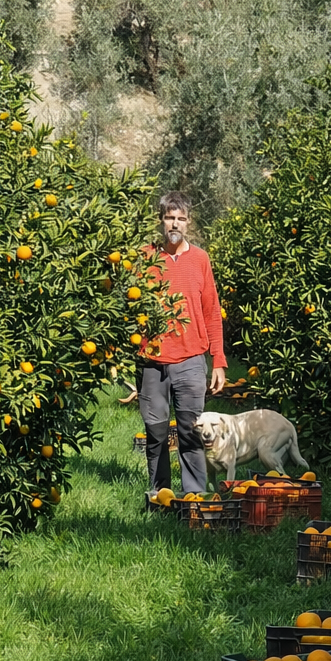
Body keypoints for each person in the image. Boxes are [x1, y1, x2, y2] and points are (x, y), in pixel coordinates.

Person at [137, 190, 227, 496]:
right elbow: (129, 308)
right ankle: (159, 496)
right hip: (153, 361)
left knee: (192, 434)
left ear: (188, 223)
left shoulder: (200, 259)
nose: (174, 224)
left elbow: (212, 311)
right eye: (169, 217)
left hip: (190, 361)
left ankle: (194, 499)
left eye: (181, 218)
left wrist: (219, 361)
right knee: (156, 432)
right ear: (161, 220)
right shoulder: (145, 257)